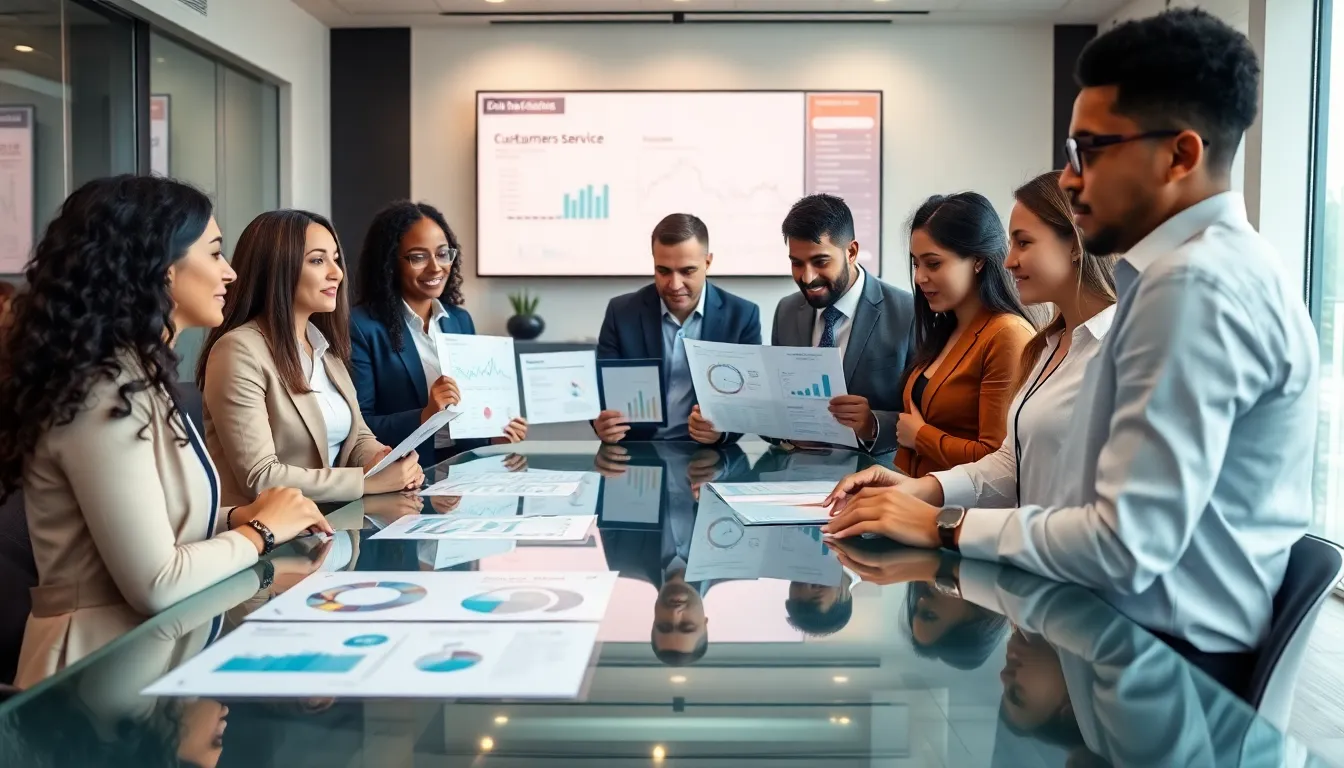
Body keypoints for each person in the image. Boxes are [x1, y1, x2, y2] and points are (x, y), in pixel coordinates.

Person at [823, 9, 1317, 683]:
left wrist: (940, 526)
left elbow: (1122, 544)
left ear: (1180, 155)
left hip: (1167, 662)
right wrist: (928, 493)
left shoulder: (1195, 289)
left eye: (1091, 151)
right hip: (1118, 636)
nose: (1072, 179)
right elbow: (1023, 468)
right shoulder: (1170, 278)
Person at [0, 176, 329, 686]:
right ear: (160, 267)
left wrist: (238, 515)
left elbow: (154, 520)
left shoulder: (137, 378)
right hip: (90, 686)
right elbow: (156, 580)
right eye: (215, 253)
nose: (231, 272)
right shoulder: (102, 390)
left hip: (144, 662)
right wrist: (261, 532)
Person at [830, 171, 1116, 511]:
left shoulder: (1111, 346)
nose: (1009, 261)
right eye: (916, 264)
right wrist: (911, 489)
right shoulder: (1046, 345)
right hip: (1001, 537)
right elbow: (1010, 465)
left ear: (1075, 244)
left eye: (1023, 243)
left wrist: (923, 447)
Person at [198, 210, 424, 506]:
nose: (337, 273)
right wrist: (366, 482)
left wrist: (387, 461)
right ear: (278, 267)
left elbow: (357, 437)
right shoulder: (238, 350)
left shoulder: (324, 348)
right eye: (318, 260)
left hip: (335, 529)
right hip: (272, 538)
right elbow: (260, 477)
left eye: (335, 259)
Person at [691, 194, 914, 452]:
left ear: (851, 252)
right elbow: (774, 409)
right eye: (796, 263)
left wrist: (872, 425)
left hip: (877, 477)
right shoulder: (787, 311)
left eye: (820, 262)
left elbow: (928, 418)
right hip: (797, 472)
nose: (807, 277)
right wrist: (722, 424)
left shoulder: (907, 313)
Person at [350, 201, 527, 470]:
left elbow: (469, 413)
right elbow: (359, 426)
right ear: (389, 262)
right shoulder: (362, 327)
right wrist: (425, 416)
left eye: (443, 254)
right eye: (418, 257)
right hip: (405, 474)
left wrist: (493, 435)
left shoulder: (459, 320)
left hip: (463, 472)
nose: (435, 267)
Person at [894, 192, 1034, 477]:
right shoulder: (945, 327)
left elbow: (997, 461)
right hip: (915, 504)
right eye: (915, 264)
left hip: (959, 515)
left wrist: (920, 437)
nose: (920, 277)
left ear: (978, 261)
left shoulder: (1006, 334)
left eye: (933, 264)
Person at [594, 213, 762, 443]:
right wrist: (601, 423)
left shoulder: (742, 316)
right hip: (638, 451)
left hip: (707, 454)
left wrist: (722, 432)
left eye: (687, 271)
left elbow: (749, 400)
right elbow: (602, 391)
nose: (674, 285)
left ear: (708, 262)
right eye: (663, 271)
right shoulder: (621, 312)